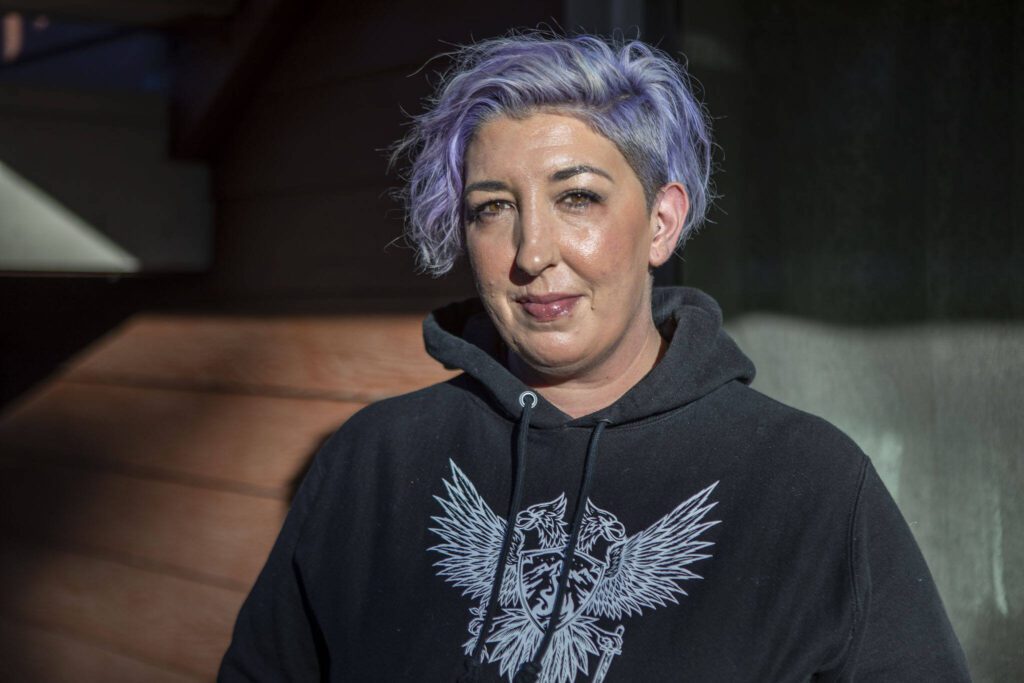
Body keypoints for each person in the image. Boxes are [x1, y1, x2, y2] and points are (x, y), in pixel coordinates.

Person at [218, 32, 970, 682]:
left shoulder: (810, 483)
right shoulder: (372, 462)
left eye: (576, 197)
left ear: (662, 222)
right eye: (492, 208)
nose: (532, 252)